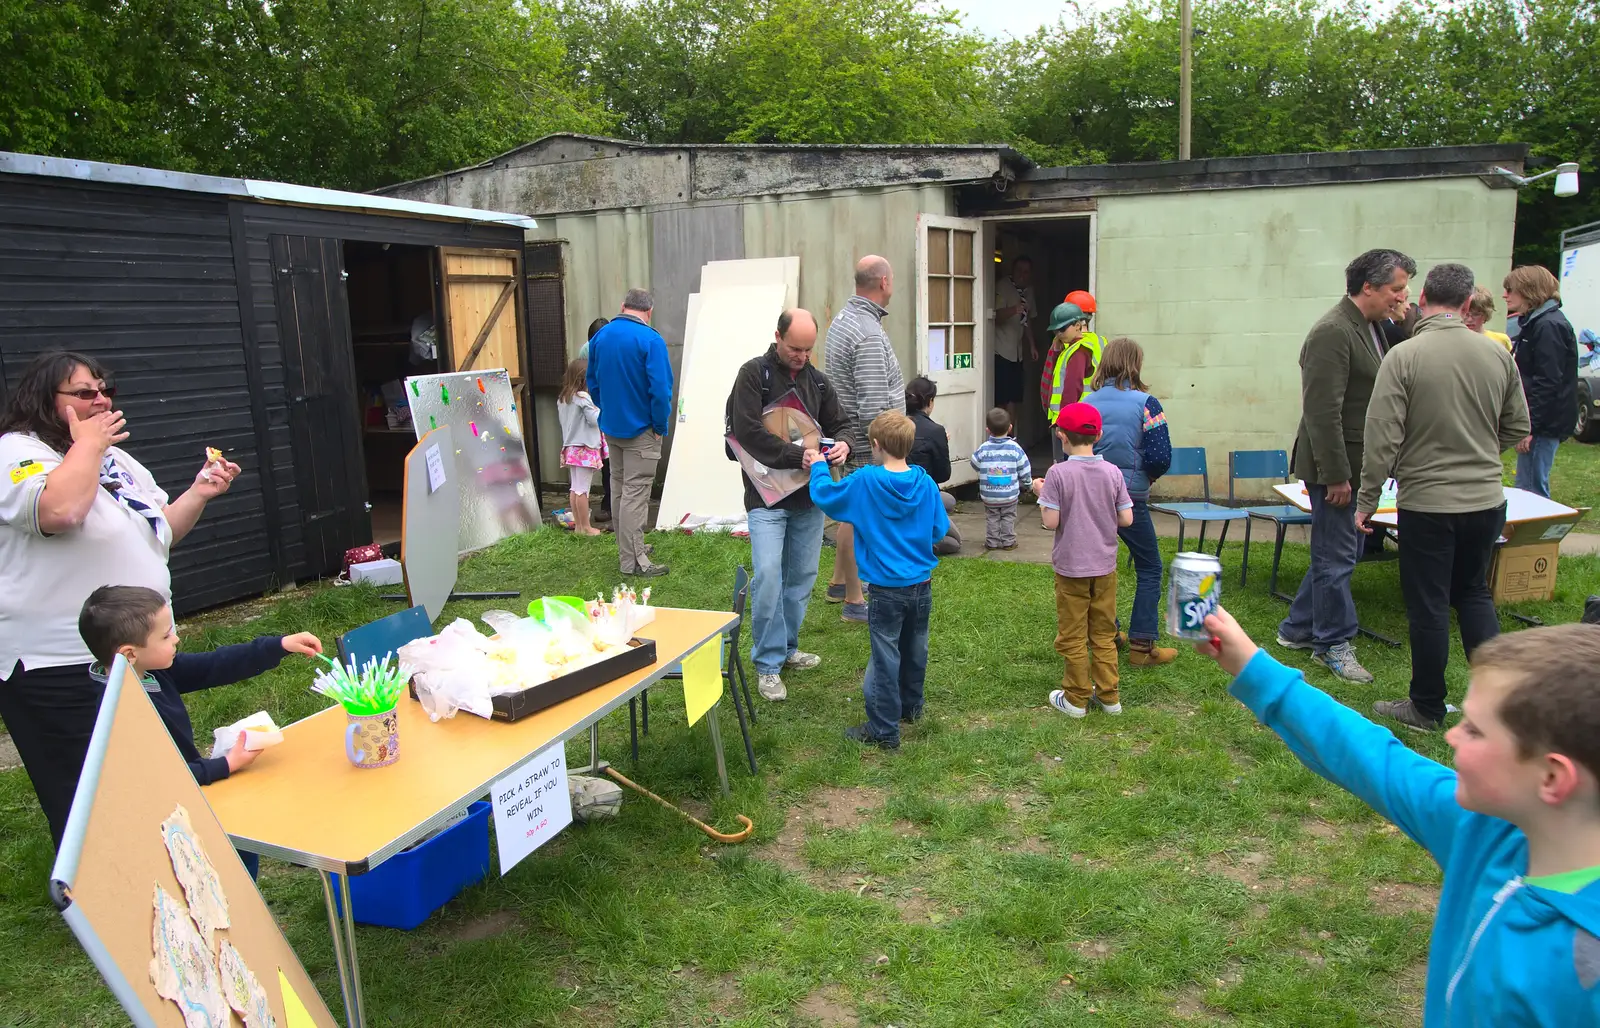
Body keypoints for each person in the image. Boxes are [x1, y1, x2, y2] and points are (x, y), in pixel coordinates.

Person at [1195, 608, 1600, 1026]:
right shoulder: (1485, 829)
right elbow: (1373, 760)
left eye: (1475, 730)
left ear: (1551, 777)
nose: (1451, 734)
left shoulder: (1588, 963)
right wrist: (1248, 662)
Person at [0, 350, 240, 849]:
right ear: (45, 399)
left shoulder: (115, 458)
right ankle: (101, 906)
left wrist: (197, 494)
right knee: (89, 793)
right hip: (59, 661)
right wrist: (86, 447)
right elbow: (60, 510)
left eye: (104, 389)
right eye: (84, 392)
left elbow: (159, 534)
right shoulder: (17, 453)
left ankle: (167, 887)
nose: (101, 399)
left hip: (132, 651)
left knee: (150, 775)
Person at [1355, 263, 1531, 732]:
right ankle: (1500, 707)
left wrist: (1366, 501)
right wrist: (1478, 453)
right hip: (1486, 500)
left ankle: (1427, 706)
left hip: (1430, 503)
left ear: (1423, 300)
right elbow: (1518, 426)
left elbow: (1381, 437)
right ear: (1469, 304)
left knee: (1429, 603)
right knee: (1473, 594)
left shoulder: (1405, 356)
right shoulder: (1497, 355)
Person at [77, 585, 323, 876]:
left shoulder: (149, 671)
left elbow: (213, 666)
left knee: (239, 838)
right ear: (130, 654)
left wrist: (277, 646)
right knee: (223, 858)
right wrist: (226, 764)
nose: (177, 638)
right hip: (163, 818)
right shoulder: (121, 715)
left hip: (188, 793)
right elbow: (160, 779)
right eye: (166, 635)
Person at [1278, 248, 1416, 685]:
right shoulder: (1333, 332)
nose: (1403, 296)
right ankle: (1332, 642)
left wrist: (1404, 315)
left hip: (1359, 463)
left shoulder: (1373, 326)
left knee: (1342, 550)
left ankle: (1297, 629)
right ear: (1369, 286)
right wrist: (1335, 474)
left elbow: (1405, 354)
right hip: (1335, 467)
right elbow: (1322, 412)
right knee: (1337, 555)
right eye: (1396, 288)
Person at [725, 309, 853, 702]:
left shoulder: (817, 380)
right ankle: (767, 665)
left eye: (808, 349)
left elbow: (842, 423)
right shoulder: (753, 374)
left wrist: (844, 443)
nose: (802, 356)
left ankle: (787, 648)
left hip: (808, 499)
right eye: (795, 348)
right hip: (765, 498)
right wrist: (796, 455)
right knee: (767, 575)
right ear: (777, 337)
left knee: (801, 578)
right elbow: (746, 430)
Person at [808, 411, 947, 751]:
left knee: (885, 656)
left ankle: (884, 729)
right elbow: (938, 530)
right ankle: (911, 707)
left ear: (875, 445)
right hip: (921, 583)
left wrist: (817, 465)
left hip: (885, 589)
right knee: (916, 647)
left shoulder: (866, 481)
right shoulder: (926, 483)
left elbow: (827, 497)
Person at [1033, 403, 1133, 718]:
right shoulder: (1112, 472)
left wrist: (1041, 492)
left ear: (1061, 435)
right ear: (1099, 435)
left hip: (1071, 570)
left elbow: (1051, 521)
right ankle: (1109, 696)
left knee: (1073, 634)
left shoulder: (1057, 474)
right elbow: (1126, 518)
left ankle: (1076, 698)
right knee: (1103, 633)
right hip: (1105, 568)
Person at [1084, 338, 1177, 667]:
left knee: (1097, 567)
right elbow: (1160, 456)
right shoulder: (1147, 403)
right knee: (1150, 567)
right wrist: (1146, 479)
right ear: (1135, 364)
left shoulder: (1086, 401)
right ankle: (1142, 645)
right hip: (1129, 497)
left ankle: (1107, 635)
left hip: (1090, 498)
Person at [823, 255, 905, 623]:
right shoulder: (869, 333)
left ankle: (839, 582)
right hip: (865, 439)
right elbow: (873, 400)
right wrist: (885, 451)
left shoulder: (844, 320)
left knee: (850, 512)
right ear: (884, 282)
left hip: (849, 435)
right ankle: (855, 601)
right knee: (858, 515)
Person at [587, 289, 674, 577]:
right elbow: (660, 391)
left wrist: (606, 410)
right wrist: (659, 426)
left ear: (623, 306)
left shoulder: (601, 336)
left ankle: (629, 549)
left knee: (619, 490)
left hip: (612, 428)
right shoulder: (651, 340)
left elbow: (593, 383)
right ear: (649, 312)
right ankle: (634, 562)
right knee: (636, 494)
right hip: (642, 431)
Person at [1505, 265, 1578, 499]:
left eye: (1510, 289)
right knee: (1526, 486)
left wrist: (1530, 427)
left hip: (1543, 425)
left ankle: (1534, 536)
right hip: (1540, 422)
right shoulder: (1536, 322)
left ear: (1529, 291)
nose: (1505, 295)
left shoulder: (1548, 325)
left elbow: (1548, 382)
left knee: (1531, 491)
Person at [905, 376, 961, 556]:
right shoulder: (935, 431)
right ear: (930, 402)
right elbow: (943, 475)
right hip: (920, 495)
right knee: (953, 542)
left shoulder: (895, 424)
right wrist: (940, 444)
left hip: (897, 492)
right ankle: (912, 542)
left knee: (949, 501)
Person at [1040, 299, 1100, 463]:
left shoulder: (1079, 351)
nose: (1059, 334)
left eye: (1062, 329)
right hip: (1078, 419)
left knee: (1067, 466)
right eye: (1055, 331)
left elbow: (1072, 388)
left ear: (1077, 325)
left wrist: (1064, 422)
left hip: (1072, 422)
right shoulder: (1074, 347)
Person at [970, 407, 1033, 550]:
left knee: (992, 517)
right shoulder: (1015, 448)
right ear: (1010, 428)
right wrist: (1028, 484)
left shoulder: (984, 448)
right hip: (1009, 494)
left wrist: (983, 470)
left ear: (988, 429)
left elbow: (974, 463)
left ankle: (991, 542)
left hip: (989, 495)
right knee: (1008, 516)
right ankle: (1008, 541)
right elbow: (1025, 468)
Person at [557, 357, 606, 537]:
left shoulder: (564, 398)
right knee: (583, 490)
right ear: (585, 379)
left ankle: (578, 526)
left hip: (570, 448)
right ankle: (586, 527)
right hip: (584, 449)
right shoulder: (583, 398)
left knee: (575, 488)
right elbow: (595, 420)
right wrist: (603, 407)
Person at [989, 257, 1037, 418]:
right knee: (1001, 397)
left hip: (1018, 353)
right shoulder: (1002, 287)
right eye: (1019, 271)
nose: (1022, 275)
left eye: (1026, 272)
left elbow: (1027, 319)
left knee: (1014, 398)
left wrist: (1032, 345)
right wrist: (1013, 309)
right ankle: (999, 434)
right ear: (1013, 271)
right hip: (1002, 350)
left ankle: (1009, 435)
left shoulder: (1029, 291)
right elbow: (995, 316)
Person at [581, 317, 612, 523]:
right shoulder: (586, 350)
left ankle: (611, 506)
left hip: (613, 407)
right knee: (604, 461)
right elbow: (582, 378)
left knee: (613, 463)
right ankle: (608, 505)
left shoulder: (616, 345)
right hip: (594, 407)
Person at [1464, 286, 1513, 351]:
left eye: (1476, 314)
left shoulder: (1501, 340)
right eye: (1466, 314)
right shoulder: (1452, 339)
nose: (1470, 319)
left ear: (1485, 314)